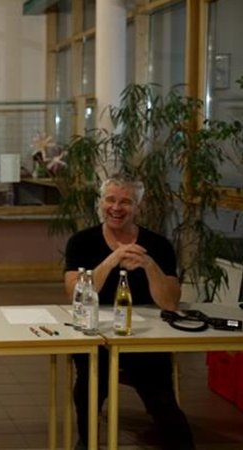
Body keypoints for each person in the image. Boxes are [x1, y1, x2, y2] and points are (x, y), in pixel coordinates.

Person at [64, 174, 195, 450]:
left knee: (163, 402)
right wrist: (111, 261)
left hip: (144, 339)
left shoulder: (158, 245)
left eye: (126, 202)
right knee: (89, 388)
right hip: (95, 336)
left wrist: (149, 265)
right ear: (101, 203)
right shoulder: (81, 242)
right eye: (110, 200)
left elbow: (170, 303)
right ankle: (87, 443)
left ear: (139, 207)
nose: (116, 208)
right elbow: (76, 294)